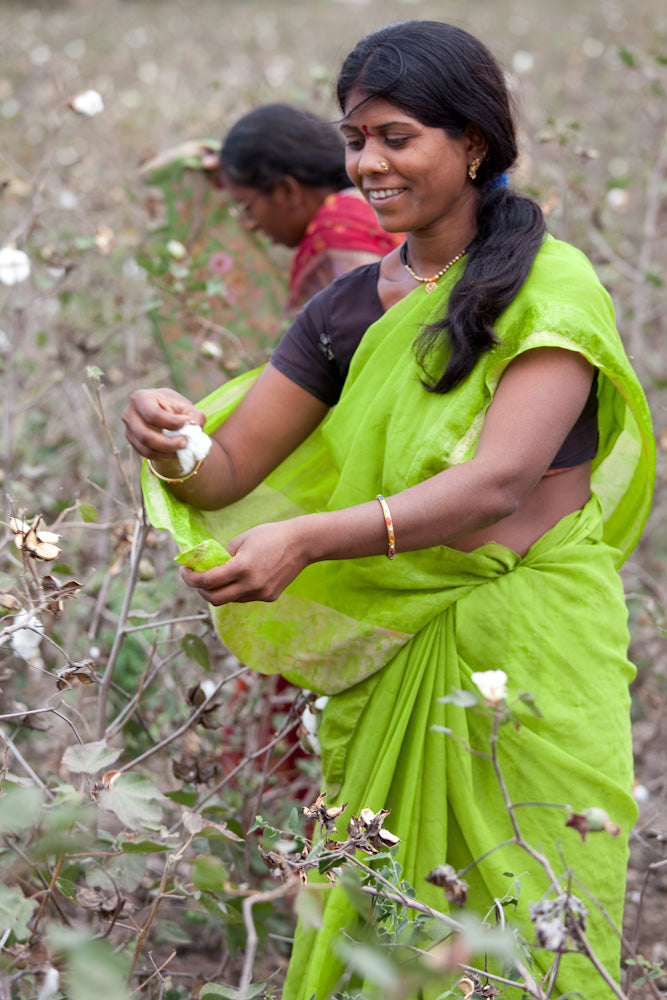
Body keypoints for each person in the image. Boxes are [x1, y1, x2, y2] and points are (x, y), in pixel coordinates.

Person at [123, 20, 654, 1000]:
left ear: (473, 143)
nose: (367, 162)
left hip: (529, 653)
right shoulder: (349, 305)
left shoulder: (548, 288)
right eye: (355, 137)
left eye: (395, 136)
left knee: (532, 921)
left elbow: (499, 481)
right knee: (391, 925)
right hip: (396, 658)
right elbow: (229, 468)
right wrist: (173, 438)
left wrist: (311, 538)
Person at [218, 102, 404, 314]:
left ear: (287, 191)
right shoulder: (374, 205)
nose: (249, 224)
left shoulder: (338, 235)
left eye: (247, 207)